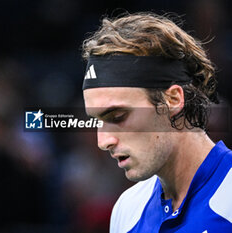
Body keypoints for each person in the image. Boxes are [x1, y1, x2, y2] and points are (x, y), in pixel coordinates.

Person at [81, 12, 232, 232]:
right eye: (97, 120)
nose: (103, 141)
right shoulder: (127, 209)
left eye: (118, 116)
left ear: (172, 100)